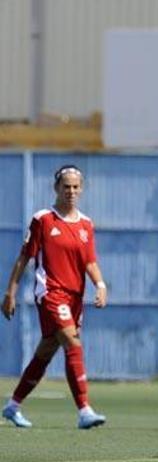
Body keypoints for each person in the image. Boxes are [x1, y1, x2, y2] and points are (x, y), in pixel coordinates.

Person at [2, 165, 108, 430]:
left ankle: (13, 406)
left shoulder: (86, 224)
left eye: (75, 187)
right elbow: (24, 258)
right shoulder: (43, 219)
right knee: (72, 344)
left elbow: (90, 262)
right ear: (56, 188)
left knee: (46, 351)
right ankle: (84, 410)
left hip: (74, 298)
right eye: (66, 186)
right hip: (50, 294)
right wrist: (10, 292)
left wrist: (101, 285)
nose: (70, 191)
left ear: (81, 189)